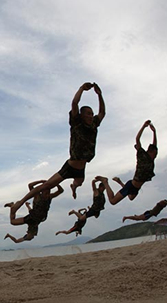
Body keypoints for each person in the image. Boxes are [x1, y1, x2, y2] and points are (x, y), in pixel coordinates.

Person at [8, 82, 105, 214]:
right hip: (70, 166)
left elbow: (102, 112)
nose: (90, 116)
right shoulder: (76, 122)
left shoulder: (94, 124)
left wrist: (99, 95)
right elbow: (74, 103)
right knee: (47, 186)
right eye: (87, 114)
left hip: (82, 167)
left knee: (79, 183)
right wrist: (82, 89)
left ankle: (73, 187)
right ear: (81, 115)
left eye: (91, 114)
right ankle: (19, 203)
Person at [96, 120, 158, 205]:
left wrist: (154, 132)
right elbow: (137, 139)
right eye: (155, 153)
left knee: (131, 198)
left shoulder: (151, 160)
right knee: (113, 201)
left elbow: (154, 145)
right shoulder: (142, 156)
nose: (156, 155)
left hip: (136, 188)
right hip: (131, 185)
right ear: (150, 152)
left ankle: (119, 182)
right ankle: (105, 181)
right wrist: (144, 126)